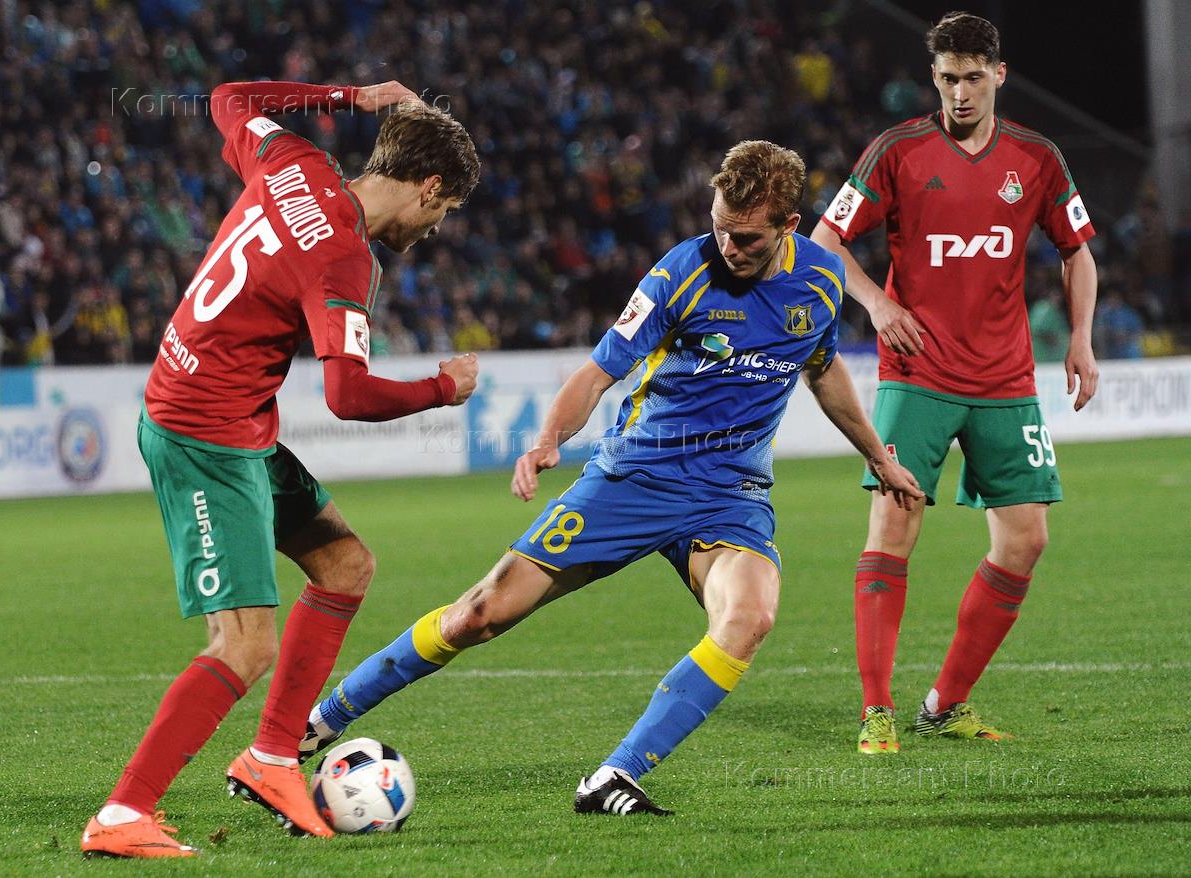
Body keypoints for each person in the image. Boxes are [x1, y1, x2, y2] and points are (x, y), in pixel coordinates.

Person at [297, 140, 923, 815]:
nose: (728, 247)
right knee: (478, 614)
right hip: (634, 478)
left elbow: (823, 369)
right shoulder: (681, 274)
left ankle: (613, 777)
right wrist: (547, 440)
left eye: (745, 238)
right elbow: (598, 373)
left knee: (749, 618)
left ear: (789, 227)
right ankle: (320, 721)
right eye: (718, 227)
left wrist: (878, 456)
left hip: (730, 496)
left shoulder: (822, 281)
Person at [80, 79, 481, 858]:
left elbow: (229, 96)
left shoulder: (295, 162)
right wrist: (443, 388)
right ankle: (123, 814)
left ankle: (271, 759)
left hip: (232, 420)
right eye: (446, 210)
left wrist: (350, 94)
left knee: (345, 565)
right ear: (429, 186)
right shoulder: (341, 256)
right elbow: (348, 395)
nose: (437, 228)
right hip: (205, 434)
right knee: (245, 645)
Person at [809, 11, 1099, 755]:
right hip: (918, 374)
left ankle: (944, 703)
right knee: (894, 526)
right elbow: (825, 239)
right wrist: (876, 304)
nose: (960, 93)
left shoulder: (1037, 158)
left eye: (973, 77)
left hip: (1005, 378)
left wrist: (1082, 339)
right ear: (932, 77)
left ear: (999, 75)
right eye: (947, 79)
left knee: (1026, 540)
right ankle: (877, 709)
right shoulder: (898, 151)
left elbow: (1076, 250)